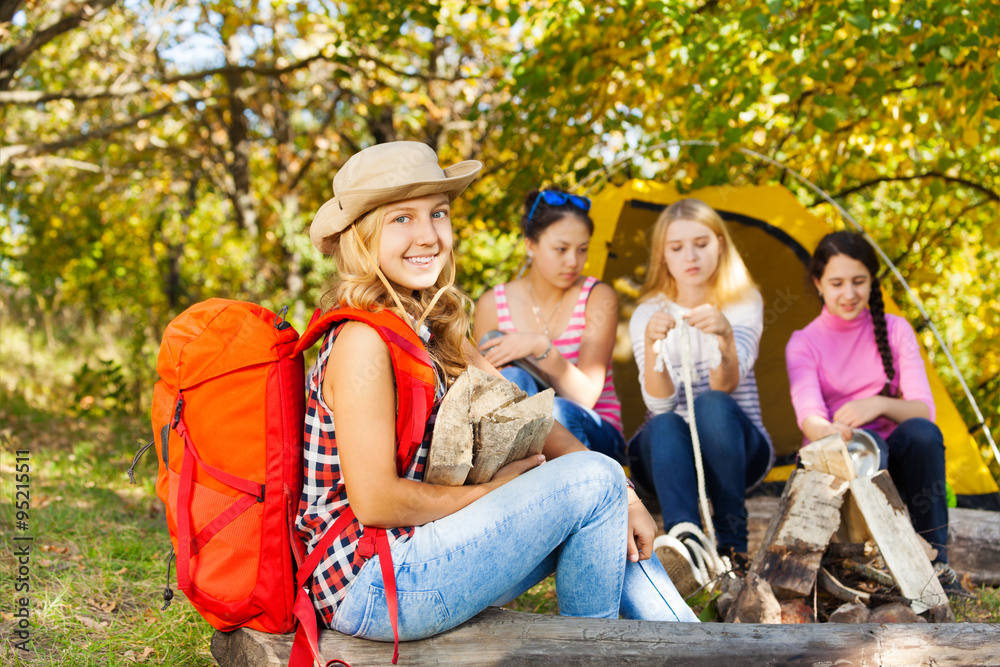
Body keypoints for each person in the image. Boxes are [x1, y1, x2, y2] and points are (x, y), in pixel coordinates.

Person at [296, 142, 697, 656]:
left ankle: (685, 642)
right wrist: (499, 492)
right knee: (594, 482)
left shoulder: (431, 327)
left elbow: (532, 419)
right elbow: (377, 503)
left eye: (438, 213)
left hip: (414, 555)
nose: (428, 235)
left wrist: (630, 497)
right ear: (361, 238)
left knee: (601, 485)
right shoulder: (362, 342)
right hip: (367, 582)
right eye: (401, 219)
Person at [785, 230, 961, 592]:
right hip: (838, 464)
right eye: (836, 283)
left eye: (858, 281)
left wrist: (877, 404)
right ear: (819, 283)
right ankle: (857, 567)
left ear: (872, 282)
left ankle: (938, 566)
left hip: (892, 461)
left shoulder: (896, 330)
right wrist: (830, 430)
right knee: (867, 450)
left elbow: (923, 410)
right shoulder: (803, 342)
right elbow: (808, 415)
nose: (848, 294)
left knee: (922, 435)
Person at [627, 198, 773, 588]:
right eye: (676, 248)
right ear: (663, 256)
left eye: (701, 243)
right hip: (670, 456)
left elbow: (726, 387)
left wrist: (724, 337)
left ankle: (731, 548)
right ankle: (685, 543)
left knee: (711, 402)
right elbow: (658, 403)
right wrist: (652, 346)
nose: (690, 256)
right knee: (664, 422)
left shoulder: (743, 301)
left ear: (721, 244)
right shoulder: (648, 313)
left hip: (735, 452)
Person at [474, 189, 625, 463]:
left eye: (582, 250)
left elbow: (586, 397)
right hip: (523, 435)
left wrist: (541, 348)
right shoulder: (492, 304)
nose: (573, 262)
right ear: (531, 245)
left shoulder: (597, 297)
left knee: (557, 411)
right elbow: (484, 397)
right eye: (561, 249)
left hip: (595, 432)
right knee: (513, 383)